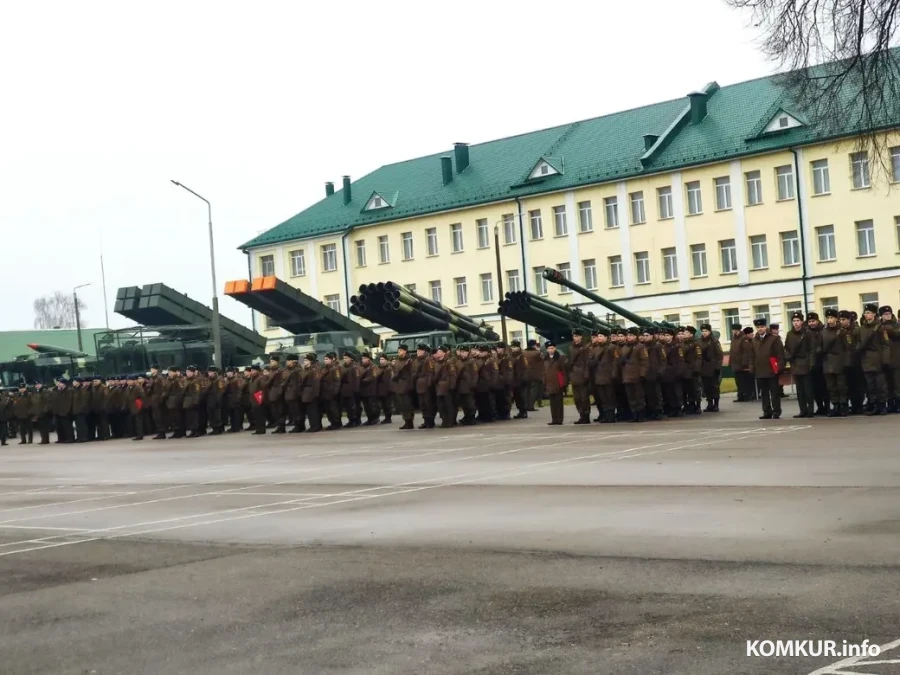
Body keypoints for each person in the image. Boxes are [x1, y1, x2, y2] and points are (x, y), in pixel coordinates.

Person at [749, 318, 785, 419]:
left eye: (762, 327)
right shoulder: (754, 340)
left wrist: (780, 367)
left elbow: (780, 355)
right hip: (760, 370)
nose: (760, 329)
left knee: (774, 392)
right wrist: (752, 367)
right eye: (758, 327)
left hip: (772, 369)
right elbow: (752, 356)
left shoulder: (774, 339)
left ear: (766, 327)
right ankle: (766, 411)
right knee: (764, 393)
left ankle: (776, 411)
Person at [857, 303, 888, 415]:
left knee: (880, 384)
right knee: (871, 385)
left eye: (869, 313)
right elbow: (858, 343)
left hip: (877, 359)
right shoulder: (861, 329)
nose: (867, 315)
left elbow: (886, 345)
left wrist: (885, 360)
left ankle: (882, 405)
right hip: (866, 360)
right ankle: (874, 405)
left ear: (874, 314)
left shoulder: (880, 327)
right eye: (865, 313)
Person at [784, 311, 815, 418]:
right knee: (800, 390)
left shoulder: (807, 333)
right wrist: (788, 357)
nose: (796, 323)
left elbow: (812, 349)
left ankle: (810, 410)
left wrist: (811, 363)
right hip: (795, 363)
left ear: (802, 322)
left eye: (798, 321)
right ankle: (802, 410)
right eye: (794, 321)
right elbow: (787, 348)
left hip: (805, 362)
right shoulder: (789, 334)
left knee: (808, 389)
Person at [821, 308, 848, 416]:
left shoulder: (842, 331)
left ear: (836, 319)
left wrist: (845, 362)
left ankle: (843, 406)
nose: (830, 320)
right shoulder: (823, 332)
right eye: (828, 318)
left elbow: (847, 348)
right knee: (831, 386)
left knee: (841, 386)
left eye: (832, 317)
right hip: (827, 362)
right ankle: (835, 405)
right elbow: (819, 346)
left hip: (839, 361)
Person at [591, 328, 619, 423]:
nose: (599, 338)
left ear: (606, 337)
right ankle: (606, 416)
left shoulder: (611, 348)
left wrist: (614, 374)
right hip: (599, 376)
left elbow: (616, 361)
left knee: (610, 397)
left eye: (601, 336)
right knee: (603, 398)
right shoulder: (595, 349)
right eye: (598, 336)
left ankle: (611, 416)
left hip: (608, 376)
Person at [567, 329, 592, 424]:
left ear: (581, 337)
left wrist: (586, 375)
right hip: (574, 375)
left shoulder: (585, 348)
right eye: (574, 336)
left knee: (584, 397)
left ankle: (586, 415)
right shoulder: (571, 348)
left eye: (577, 336)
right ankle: (581, 415)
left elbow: (587, 362)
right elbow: (569, 361)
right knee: (577, 398)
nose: (575, 338)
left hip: (582, 374)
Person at [806, 312, 828, 415]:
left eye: (813, 321)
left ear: (818, 321)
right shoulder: (806, 333)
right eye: (809, 321)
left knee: (825, 387)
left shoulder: (823, 331)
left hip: (823, 363)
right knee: (815, 388)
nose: (811, 323)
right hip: (812, 364)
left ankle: (827, 407)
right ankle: (820, 407)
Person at [879, 306, 900, 413]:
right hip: (883, 359)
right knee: (887, 383)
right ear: (881, 316)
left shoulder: (897, 325)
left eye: (889, 313)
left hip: (896, 358)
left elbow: (897, 334)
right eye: (885, 314)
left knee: (897, 383)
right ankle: (890, 403)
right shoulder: (878, 327)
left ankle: (898, 404)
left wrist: (887, 327)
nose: (887, 315)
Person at [698, 324, 723, 412]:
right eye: (703, 331)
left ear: (710, 331)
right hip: (704, 368)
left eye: (706, 331)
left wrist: (717, 367)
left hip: (713, 367)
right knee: (706, 387)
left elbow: (719, 355)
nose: (704, 333)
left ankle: (716, 404)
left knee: (714, 386)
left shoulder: (714, 341)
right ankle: (709, 404)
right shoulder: (699, 341)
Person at [433, 345, 458, 428]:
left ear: (444, 353)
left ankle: (450, 421)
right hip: (439, 387)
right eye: (438, 352)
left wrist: (452, 386)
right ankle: (444, 420)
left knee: (448, 405)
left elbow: (453, 375)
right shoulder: (436, 363)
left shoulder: (449, 362)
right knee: (441, 405)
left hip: (447, 386)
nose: (438, 353)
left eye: (440, 352)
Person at [413, 343, 436, 429]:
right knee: (422, 404)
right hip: (419, 384)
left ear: (425, 351)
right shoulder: (416, 360)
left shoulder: (428, 360)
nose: (418, 352)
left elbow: (430, 372)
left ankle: (430, 421)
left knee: (428, 404)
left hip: (425, 384)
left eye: (420, 350)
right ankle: (425, 421)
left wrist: (429, 383)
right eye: (418, 350)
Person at [391, 344, 415, 430]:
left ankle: (410, 422)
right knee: (402, 405)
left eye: (401, 350)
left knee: (408, 404)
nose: (399, 352)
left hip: (406, 384)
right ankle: (405, 421)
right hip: (399, 384)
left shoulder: (409, 361)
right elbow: (394, 372)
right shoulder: (396, 361)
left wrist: (410, 385)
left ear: (405, 351)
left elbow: (411, 373)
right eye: (398, 350)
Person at [542, 341, 566, 425]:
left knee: (558, 402)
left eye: (552, 348)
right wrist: (544, 382)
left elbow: (563, 371)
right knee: (552, 403)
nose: (550, 350)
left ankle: (559, 419)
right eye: (549, 348)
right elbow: (544, 371)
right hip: (549, 383)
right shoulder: (545, 359)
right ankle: (554, 419)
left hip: (558, 382)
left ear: (555, 348)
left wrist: (564, 383)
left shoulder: (560, 358)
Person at [455, 345, 478, 426]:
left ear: (468, 353)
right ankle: (467, 417)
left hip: (468, 385)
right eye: (461, 352)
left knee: (470, 403)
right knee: (464, 403)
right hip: (461, 386)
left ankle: (471, 417)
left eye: (464, 352)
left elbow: (475, 374)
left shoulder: (471, 362)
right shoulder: (459, 361)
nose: (462, 354)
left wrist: (473, 384)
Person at [320, 352, 343, 430]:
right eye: (324, 359)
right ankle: (332, 422)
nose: (325, 361)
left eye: (327, 359)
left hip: (332, 392)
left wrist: (335, 392)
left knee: (334, 409)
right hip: (325, 392)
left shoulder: (334, 369)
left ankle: (336, 423)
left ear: (331, 360)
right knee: (328, 410)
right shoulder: (324, 369)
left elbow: (337, 381)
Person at [300, 352, 322, 432]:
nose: (304, 362)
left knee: (313, 411)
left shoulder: (314, 370)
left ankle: (315, 426)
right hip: (306, 393)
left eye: (306, 360)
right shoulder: (305, 370)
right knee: (309, 411)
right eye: (304, 360)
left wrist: (316, 394)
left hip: (311, 393)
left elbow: (317, 383)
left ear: (311, 361)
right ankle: (313, 425)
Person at [340, 351, 362, 428]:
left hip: (352, 389)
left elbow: (356, 379)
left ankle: (355, 420)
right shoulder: (344, 367)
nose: (345, 359)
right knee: (348, 407)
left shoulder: (354, 367)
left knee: (353, 407)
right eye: (344, 358)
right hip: (345, 390)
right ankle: (351, 420)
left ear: (351, 359)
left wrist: (356, 390)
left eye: (346, 358)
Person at [358, 352, 380, 425]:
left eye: (364, 358)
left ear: (369, 359)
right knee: (366, 406)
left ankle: (375, 418)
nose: (363, 360)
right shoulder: (362, 367)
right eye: (362, 358)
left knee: (372, 405)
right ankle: (370, 419)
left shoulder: (373, 367)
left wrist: (363, 381)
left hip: (371, 389)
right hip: (364, 390)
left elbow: (373, 377)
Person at [494, 342, 513, 421]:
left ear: (504, 349)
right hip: (498, 381)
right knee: (499, 398)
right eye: (498, 348)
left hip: (505, 381)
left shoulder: (507, 358)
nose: (499, 350)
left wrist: (508, 381)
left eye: (500, 348)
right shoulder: (495, 358)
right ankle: (500, 413)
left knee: (506, 398)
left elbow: (510, 370)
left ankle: (506, 413)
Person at [51, 376, 74, 443]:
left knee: (67, 426)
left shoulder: (68, 390)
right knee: (59, 426)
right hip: (58, 411)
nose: (58, 384)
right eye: (58, 382)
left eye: (60, 383)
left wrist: (67, 410)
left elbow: (69, 401)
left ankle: (70, 438)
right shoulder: (56, 390)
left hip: (65, 411)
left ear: (64, 384)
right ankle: (61, 438)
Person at [523, 339, 544, 411]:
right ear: (534, 345)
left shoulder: (523, 352)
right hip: (535, 375)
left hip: (525, 374)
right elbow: (543, 360)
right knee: (533, 391)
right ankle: (530, 406)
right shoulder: (537, 353)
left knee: (526, 391)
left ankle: (525, 405)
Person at [509, 340, 528, 419]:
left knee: (521, 396)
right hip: (514, 379)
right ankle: (520, 411)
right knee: (517, 397)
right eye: (512, 347)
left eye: (515, 347)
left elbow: (525, 367)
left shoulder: (521, 356)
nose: (513, 349)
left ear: (519, 347)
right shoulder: (511, 356)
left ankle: (524, 411)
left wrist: (522, 378)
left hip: (520, 379)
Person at [247, 364, 268, 434]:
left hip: (258, 399)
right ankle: (258, 429)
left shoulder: (260, 378)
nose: (252, 372)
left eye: (253, 370)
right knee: (256, 415)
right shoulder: (252, 379)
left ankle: (261, 429)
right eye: (251, 370)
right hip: (253, 399)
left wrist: (261, 399)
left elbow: (263, 389)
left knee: (260, 416)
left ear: (257, 371)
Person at [166, 367, 185, 439]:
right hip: (171, 401)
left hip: (176, 401)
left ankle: (179, 432)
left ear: (175, 372)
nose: (169, 373)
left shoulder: (177, 380)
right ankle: (176, 431)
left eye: (171, 372)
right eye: (169, 372)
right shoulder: (170, 380)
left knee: (177, 417)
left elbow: (180, 391)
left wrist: (178, 400)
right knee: (173, 418)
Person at [375, 354, 393, 424]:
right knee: (383, 404)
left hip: (386, 389)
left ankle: (388, 418)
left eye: (383, 359)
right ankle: (386, 417)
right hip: (381, 389)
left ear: (386, 360)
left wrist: (389, 389)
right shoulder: (379, 368)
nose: (381, 361)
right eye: (380, 359)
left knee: (387, 404)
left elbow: (389, 380)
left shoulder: (388, 368)